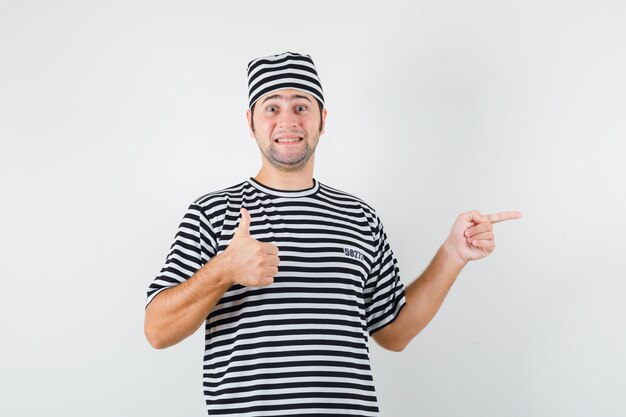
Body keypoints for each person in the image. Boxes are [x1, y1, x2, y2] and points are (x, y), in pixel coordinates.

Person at [144, 51, 521, 416]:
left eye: (301, 106)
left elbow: (394, 333)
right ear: (250, 122)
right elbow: (158, 330)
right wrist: (224, 269)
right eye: (271, 107)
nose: (287, 120)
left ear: (323, 119)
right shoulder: (212, 212)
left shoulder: (359, 216)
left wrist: (452, 254)